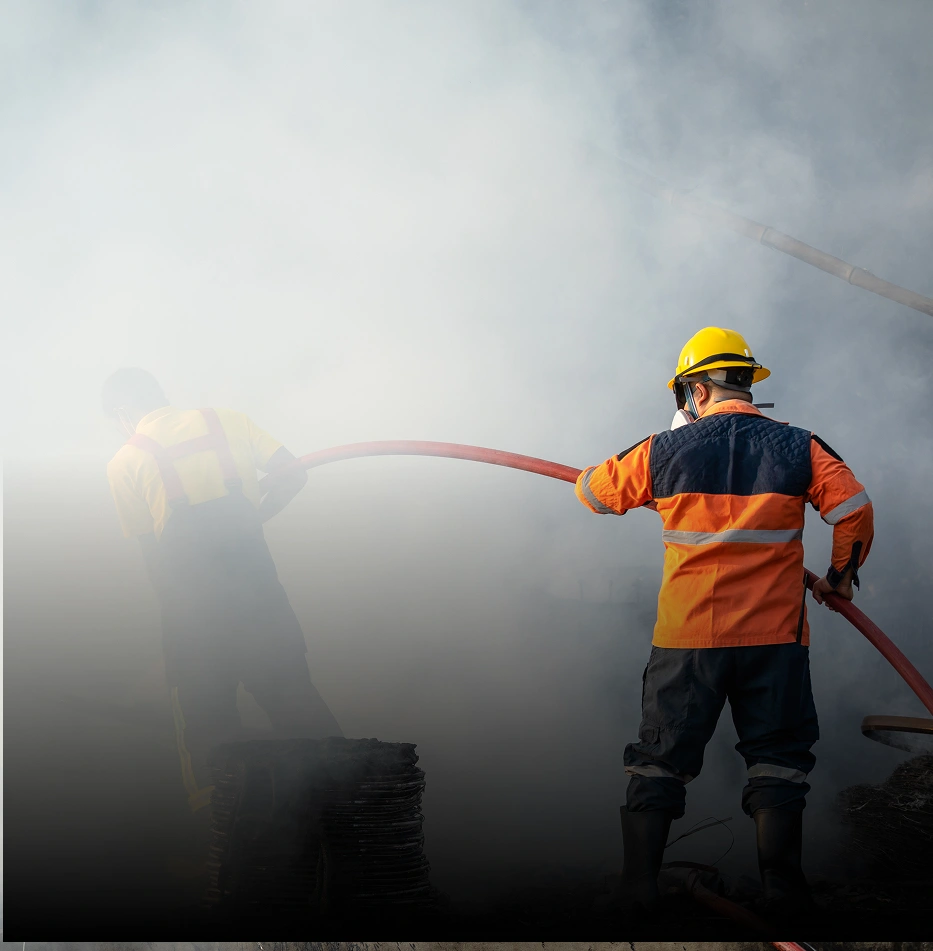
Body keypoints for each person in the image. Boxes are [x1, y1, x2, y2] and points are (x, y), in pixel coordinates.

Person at [574, 327, 873, 918]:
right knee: (779, 760)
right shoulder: (801, 446)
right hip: (775, 642)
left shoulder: (662, 450)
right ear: (746, 381)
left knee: (659, 761)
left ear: (693, 388)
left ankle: (638, 892)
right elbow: (854, 511)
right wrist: (839, 577)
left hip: (688, 642)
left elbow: (593, 494)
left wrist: (662, 468)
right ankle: (784, 893)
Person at [102, 368, 342, 863]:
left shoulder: (125, 461)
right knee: (294, 697)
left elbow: (155, 561)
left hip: (194, 613)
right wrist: (255, 519)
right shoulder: (226, 420)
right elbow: (293, 473)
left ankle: (226, 852)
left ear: (124, 415)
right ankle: (347, 809)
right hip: (259, 597)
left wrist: (179, 633)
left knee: (207, 726)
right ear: (161, 396)